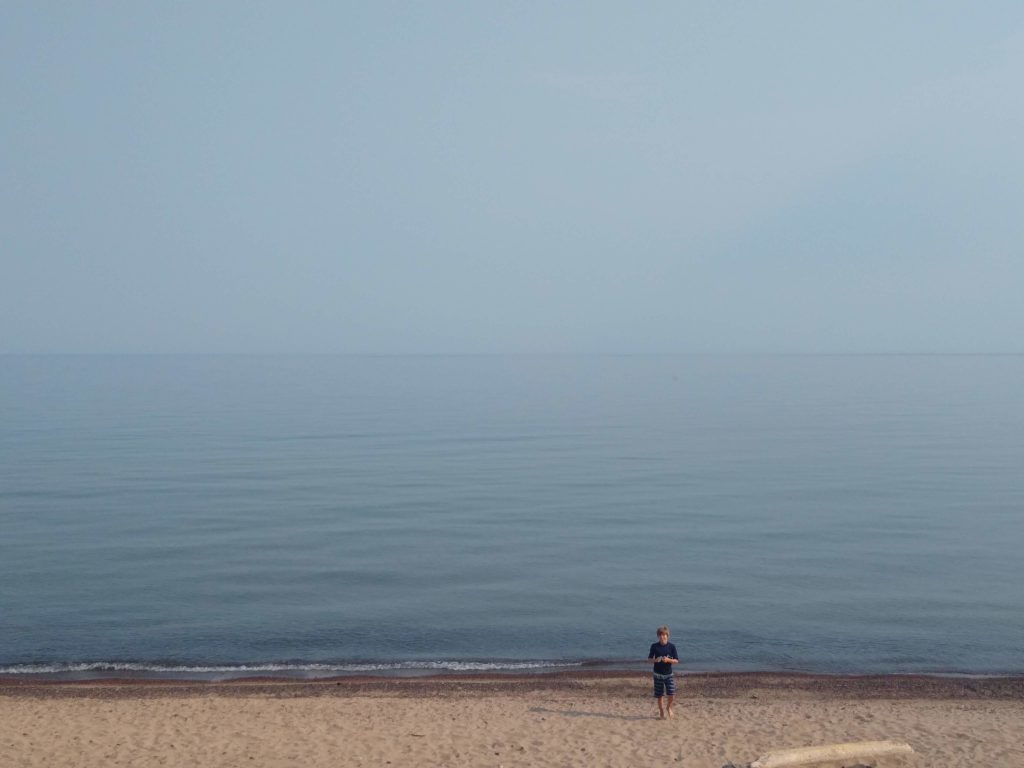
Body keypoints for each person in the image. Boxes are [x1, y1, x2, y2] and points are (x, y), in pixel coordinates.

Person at [647, 625, 679, 719]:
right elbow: (649, 659)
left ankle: (668, 708)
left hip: (669, 674)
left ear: (667, 636)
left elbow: (676, 660)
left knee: (672, 694)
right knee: (660, 695)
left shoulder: (672, 646)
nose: (662, 637)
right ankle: (661, 711)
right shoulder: (654, 646)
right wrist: (655, 660)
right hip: (657, 674)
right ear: (658, 636)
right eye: (660, 635)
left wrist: (668, 660)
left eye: (664, 635)